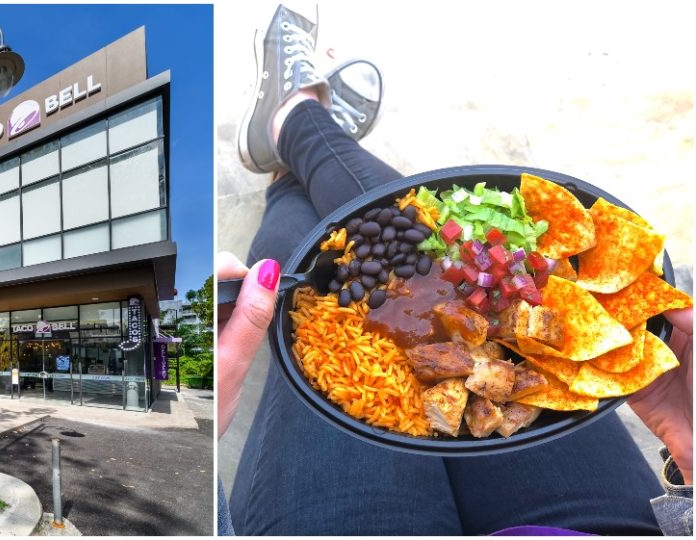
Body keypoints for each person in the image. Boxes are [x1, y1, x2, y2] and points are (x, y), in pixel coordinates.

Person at [217, 4, 693, 536]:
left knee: (320, 228)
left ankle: (297, 136)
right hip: (604, 524)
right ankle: (298, 137)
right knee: (369, 220)